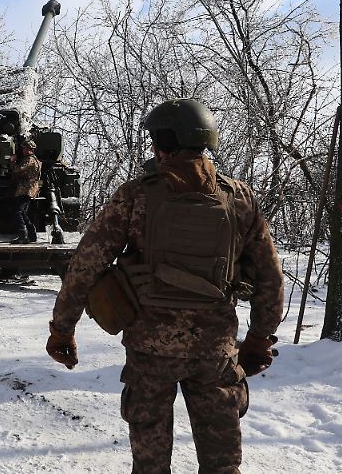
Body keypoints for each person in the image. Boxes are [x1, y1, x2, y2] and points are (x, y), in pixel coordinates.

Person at [45, 99, 284, 474]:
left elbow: (86, 266)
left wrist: (63, 329)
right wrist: (260, 337)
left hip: (149, 354)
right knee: (223, 466)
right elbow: (270, 276)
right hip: (215, 353)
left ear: (160, 145)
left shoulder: (135, 196)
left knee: (150, 466)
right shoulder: (239, 199)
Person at [10, 138, 42, 243]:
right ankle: (32, 235)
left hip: (25, 189)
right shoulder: (34, 160)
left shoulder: (29, 160)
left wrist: (13, 161)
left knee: (18, 212)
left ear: (31, 149)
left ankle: (23, 236)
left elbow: (17, 170)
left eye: (26, 148)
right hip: (29, 189)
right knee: (23, 212)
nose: (23, 150)